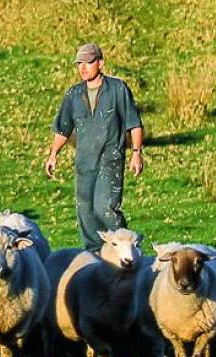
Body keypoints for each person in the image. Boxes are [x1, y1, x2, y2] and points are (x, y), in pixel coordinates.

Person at [45, 43, 144, 252]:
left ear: (100, 63)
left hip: (110, 160)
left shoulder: (118, 89)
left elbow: (133, 124)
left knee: (104, 208)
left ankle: (126, 249)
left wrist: (137, 153)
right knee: (86, 211)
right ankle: (95, 255)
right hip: (84, 162)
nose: (83, 67)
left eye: (88, 62)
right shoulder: (73, 94)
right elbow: (63, 128)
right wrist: (53, 154)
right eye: (79, 63)